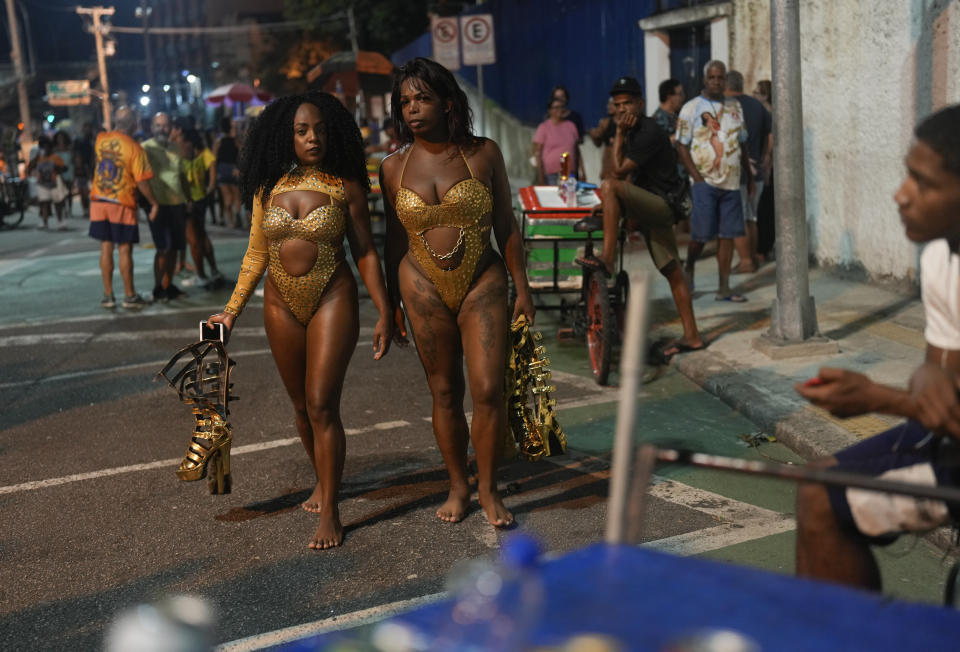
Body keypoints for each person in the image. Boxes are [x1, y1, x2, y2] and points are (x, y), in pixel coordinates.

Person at [205, 91, 394, 549]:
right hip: (279, 305)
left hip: (333, 297)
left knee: (322, 403)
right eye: (302, 131)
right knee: (301, 408)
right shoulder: (267, 187)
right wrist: (230, 312)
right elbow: (256, 253)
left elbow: (365, 251)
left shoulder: (345, 184)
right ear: (283, 136)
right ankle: (323, 481)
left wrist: (387, 309)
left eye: (320, 130)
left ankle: (331, 509)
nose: (313, 138)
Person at [794, 105, 960, 591]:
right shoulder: (939, 258)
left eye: (923, 183)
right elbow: (939, 408)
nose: (901, 196)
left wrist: (878, 398)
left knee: (825, 499)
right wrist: (918, 385)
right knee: (819, 487)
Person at [380, 57, 535, 528]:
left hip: (483, 281)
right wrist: (390, 305)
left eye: (422, 98)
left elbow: (506, 224)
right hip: (420, 286)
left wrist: (523, 289)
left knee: (488, 389)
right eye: (405, 101)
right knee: (444, 391)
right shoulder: (391, 167)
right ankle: (458, 485)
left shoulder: (483, 153)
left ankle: (488, 489)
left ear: (447, 102)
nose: (412, 109)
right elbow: (391, 239)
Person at [574, 76, 703, 359]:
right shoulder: (633, 129)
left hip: (662, 205)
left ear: (640, 104)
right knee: (672, 270)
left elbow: (617, 173)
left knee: (609, 187)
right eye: (617, 104)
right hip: (652, 204)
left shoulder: (647, 131)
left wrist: (618, 135)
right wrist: (611, 205)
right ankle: (692, 336)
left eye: (628, 103)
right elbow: (625, 175)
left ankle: (606, 259)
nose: (621, 109)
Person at [676, 60, 753, 302]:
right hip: (705, 182)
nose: (717, 82)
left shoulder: (735, 106)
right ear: (705, 79)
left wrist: (748, 176)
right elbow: (681, 144)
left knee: (727, 235)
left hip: (731, 182)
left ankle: (724, 287)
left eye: (721, 78)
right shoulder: (691, 108)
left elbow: (742, 141)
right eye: (712, 77)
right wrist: (697, 178)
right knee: (701, 235)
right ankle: (689, 267)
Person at [88, 106, 158, 309]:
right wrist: (154, 203)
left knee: (105, 247)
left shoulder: (101, 139)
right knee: (125, 250)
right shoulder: (135, 148)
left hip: (99, 200)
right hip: (122, 202)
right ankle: (129, 295)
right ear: (134, 124)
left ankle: (108, 296)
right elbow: (142, 182)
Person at [142, 112, 191, 303]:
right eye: (158, 125)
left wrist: (189, 199)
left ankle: (168, 285)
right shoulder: (145, 149)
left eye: (165, 125)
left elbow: (182, 176)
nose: (162, 129)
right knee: (163, 248)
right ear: (152, 127)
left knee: (175, 248)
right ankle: (157, 286)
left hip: (177, 203)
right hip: (158, 205)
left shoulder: (175, 148)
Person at [725, 70, 771, 274]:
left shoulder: (727, 107)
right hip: (757, 172)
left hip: (738, 172)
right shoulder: (757, 106)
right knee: (751, 217)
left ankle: (745, 262)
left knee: (739, 218)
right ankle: (752, 257)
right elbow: (769, 135)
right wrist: (764, 158)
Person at [179, 128, 223, 289]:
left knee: (193, 240)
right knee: (202, 235)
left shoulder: (182, 148)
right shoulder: (202, 151)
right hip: (201, 197)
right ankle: (213, 270)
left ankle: (201, 275)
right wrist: (210, 186)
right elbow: (213, 164)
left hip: (187, 199)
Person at [533, 98, 584, 185]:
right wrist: (540, 176)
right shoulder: (544, 127)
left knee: (569, 197)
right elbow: (538, 153)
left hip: (570, 173)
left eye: (561, 107)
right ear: (550, 111)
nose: (560, 110)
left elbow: (577, 151)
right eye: (556, 107)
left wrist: (582, 172)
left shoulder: (571, 126)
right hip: (551, 175)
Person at [28, 135, 68, 230]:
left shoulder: (55, 157)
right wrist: (37, 157)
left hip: (54, 182)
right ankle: (44, 222)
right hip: (42, 183)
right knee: (44, 203)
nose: (45, 148)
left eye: (46, 146)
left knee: (58, 203)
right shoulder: (39, 158)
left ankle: (60, 221)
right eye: (42, 146)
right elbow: (30, 167)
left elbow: (64, 168)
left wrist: (57, 169)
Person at [213, 117, 242, 229]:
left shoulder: (218, 142)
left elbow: (214, 159)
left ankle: (231, 221)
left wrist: (214, 174)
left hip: (222, 170)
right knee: (236, 196)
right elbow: (241, 156)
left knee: (227, 197)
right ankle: (237, 214)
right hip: (234, 169)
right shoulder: (236, 141)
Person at [587, 97, 616, 181]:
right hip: (608, 163)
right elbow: (598, 144)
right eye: (608, 104)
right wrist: (594, 136)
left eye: (612, 104)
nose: (608, 106)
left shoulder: (626, 122)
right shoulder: (605, 122)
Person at [74, 122, 96, 218]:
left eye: (89, 128)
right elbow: (77, 155)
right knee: (83, 191)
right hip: (82, 169)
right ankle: (86, 209)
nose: (88, 130)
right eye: (86, 128)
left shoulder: (95, 140)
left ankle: (93, 209)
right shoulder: (79, 141)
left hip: (94, 168)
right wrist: (79, 166)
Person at [653, 78, 684, 143]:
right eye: (680, 94)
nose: (683, 97)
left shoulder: (677, 115)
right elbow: (658, 145)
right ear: (669, 97)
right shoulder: (657, 120)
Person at [52, 130, 75, 218]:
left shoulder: (69, 149)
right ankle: (64, 209)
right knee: (62, 192)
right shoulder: (55, 150)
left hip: (68, 172)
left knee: (69, 192)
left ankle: (69, 209)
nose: (60, 139)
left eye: (62, 138)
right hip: (59, 172)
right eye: (59, 138)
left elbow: (72, 162)